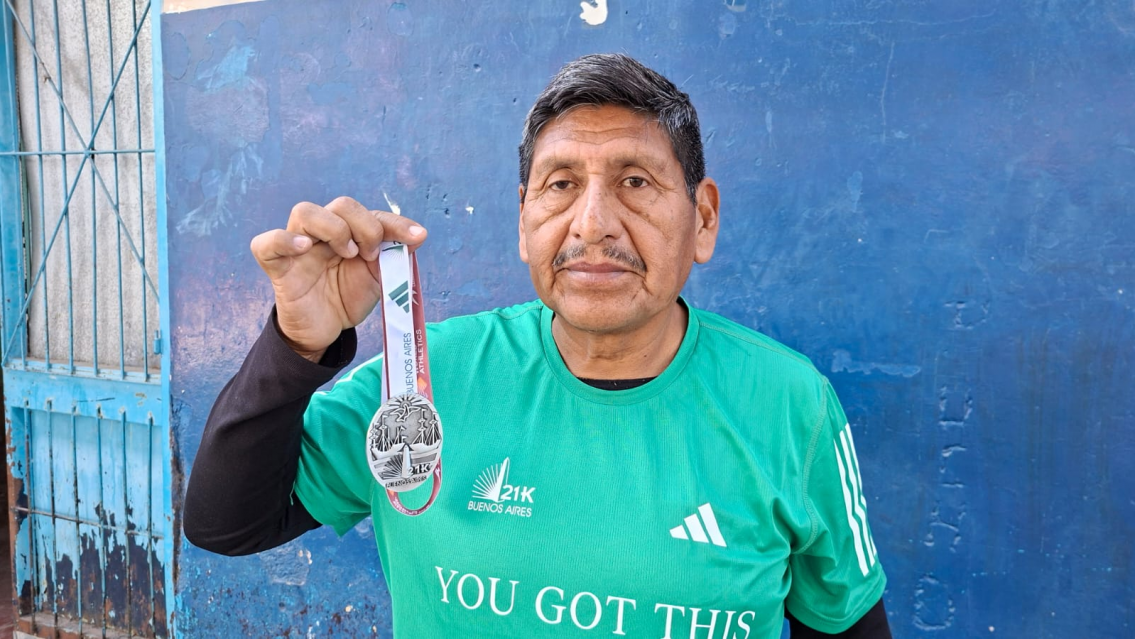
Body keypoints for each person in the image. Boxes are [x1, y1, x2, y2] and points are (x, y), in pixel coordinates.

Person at [185, 53, 891, 638]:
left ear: (701, 217)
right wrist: (297, 345)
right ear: (525, 219)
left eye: (634, 181)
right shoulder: (420, 382)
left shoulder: (788, 403)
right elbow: (226, 522)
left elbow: (848, 624)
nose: (592, 222)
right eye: (560, 184)